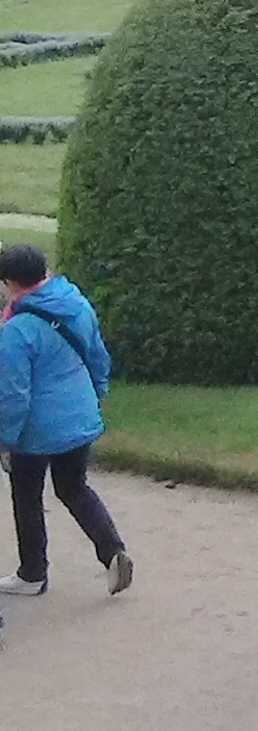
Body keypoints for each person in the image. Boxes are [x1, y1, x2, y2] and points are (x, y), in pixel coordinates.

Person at [0, 243, 132, 606]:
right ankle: (113, 551)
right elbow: (96, 353)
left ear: (10, 282)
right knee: (74, 488)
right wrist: (97, 393)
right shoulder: (75, 301)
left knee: (26, 495)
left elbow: (13, 395)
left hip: (35, 430)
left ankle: (32, 573)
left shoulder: (16, 330)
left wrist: (5, 440)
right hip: (80, 415)